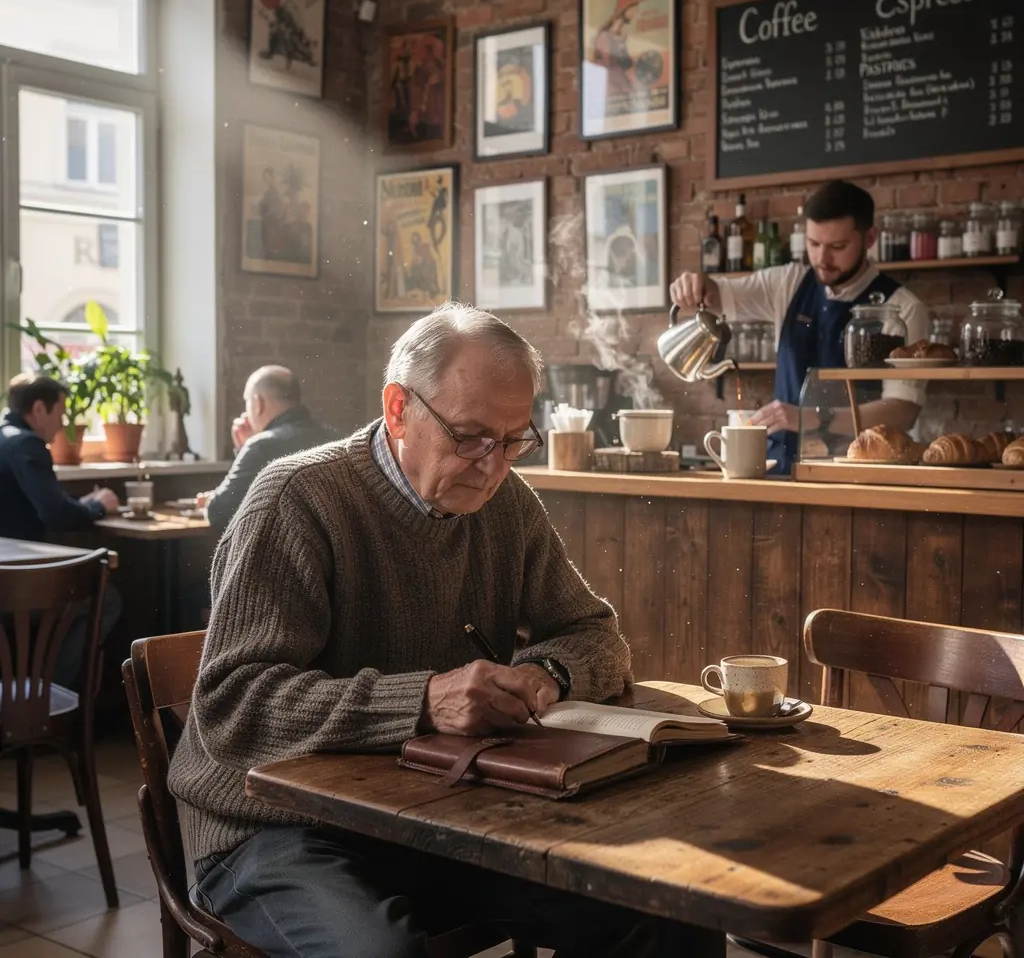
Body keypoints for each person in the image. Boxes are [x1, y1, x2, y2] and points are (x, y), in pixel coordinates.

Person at [168, 304, 698, 958]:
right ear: (398, 409)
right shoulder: (297, 501)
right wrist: (422, 702)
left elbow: (594, 633)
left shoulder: (504, 503)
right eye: (470, 436)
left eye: (512, 440)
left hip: (437, 810)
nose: (493, 466)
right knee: (380, 953)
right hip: (271, 827)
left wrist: (546, 675)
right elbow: (232, 707)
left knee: (662, 902)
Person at [670, 179, 928, 473]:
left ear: (870, 238)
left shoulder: (905, 308)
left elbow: (903, 411)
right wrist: (696, 284)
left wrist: (815, 417)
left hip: (858, 473)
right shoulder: (789, 283)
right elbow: (718, 295)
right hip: (781, 467)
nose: (821, 259)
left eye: (837, 247)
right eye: (813, 244)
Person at [0, 373, 121, 686]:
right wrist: (98, 506)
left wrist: (84, 501)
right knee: (105, 598)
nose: (63, 422)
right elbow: (57, 516)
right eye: (61, 412)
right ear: (40, 408)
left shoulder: (5, 438)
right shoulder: (27, 444)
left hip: (8, 579)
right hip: (16, 588)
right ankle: (52, 693)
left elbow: (40, 504)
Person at [197, 365, 333, 535]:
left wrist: (247, 449)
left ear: (257, 403)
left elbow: (220, 513)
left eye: (247, 402)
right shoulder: (334, 437)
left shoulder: (260, 447)